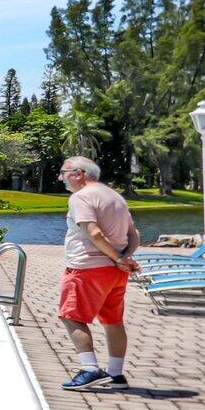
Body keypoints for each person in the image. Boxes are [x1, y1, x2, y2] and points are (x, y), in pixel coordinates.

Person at [57, 158, 140, 391]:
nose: (61, 178)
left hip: (87, 268)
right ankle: (115, 374)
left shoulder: (81, 197)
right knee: (113, 320)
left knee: (71, 316)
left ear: (79, 173)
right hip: (115, 272)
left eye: (63, 173)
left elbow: (93, 232)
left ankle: (90, 369)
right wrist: (123, 258)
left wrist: (118, 258)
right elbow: (134, 234)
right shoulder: (116, 197)